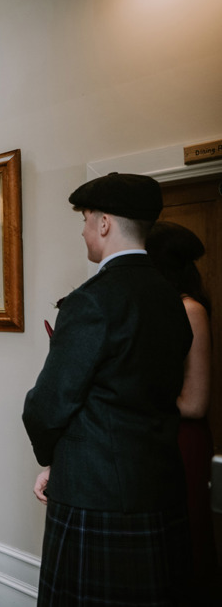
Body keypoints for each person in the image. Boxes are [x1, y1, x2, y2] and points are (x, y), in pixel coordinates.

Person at [22, 173, 193, 604]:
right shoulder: (172, 299)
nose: (82, 230)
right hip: (159, 487)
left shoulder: (91, 300)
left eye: (84, 219)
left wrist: (53, 460)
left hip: (95, 495)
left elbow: (48, 404)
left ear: (104, 223)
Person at [147, 221, 217, 599]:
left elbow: (194, 402)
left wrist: (136, 393)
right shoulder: (157, 307)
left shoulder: (191, 310)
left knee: (187, 538)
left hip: (184, 442)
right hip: (158, 436)